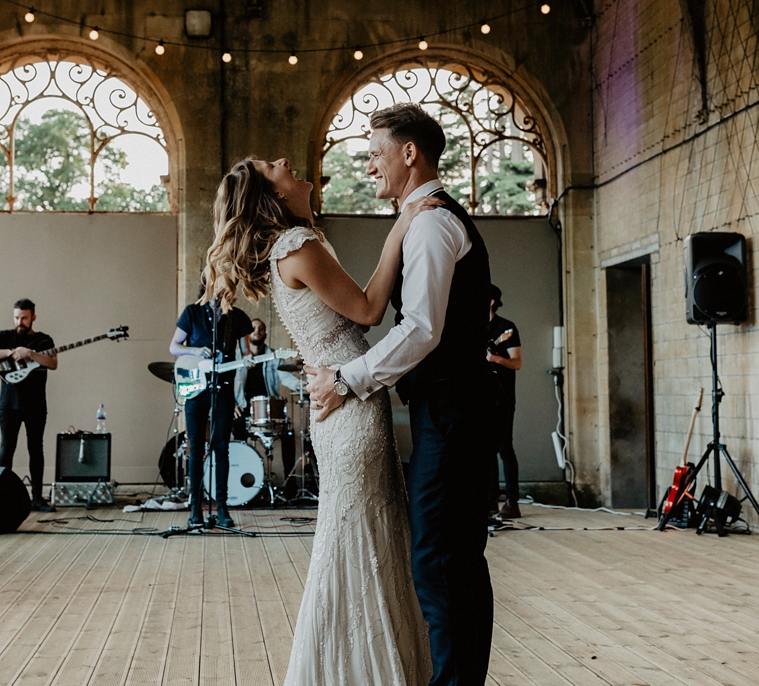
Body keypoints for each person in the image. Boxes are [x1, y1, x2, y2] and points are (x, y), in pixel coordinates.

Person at [203, 154, 442, 685]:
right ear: (275, 195)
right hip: (349, 409)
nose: (284, 160)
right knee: (359, 534)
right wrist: (402, 224)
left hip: (344, 400)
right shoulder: (296, 246)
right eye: (272, 166)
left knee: (367, 532)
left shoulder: (299, 240)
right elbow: (367, 310)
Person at [306, 102, 502, 686]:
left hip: (454, 413)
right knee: (453, 563)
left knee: (442, 564)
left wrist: (346, 380)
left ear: (409, 153)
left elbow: (420, 328)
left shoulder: (435, 223)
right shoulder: (423, 218)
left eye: (375, 154)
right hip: (450, 411)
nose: (370, 168)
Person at [169, 293, 252, 528]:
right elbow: (173, 347)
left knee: (221, 447)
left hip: (223, 389)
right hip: (196, 388)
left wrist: (248, 359)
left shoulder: (238, 318)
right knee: (195, 447)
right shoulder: (191, 312)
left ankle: (222, 507)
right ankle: (195, 507)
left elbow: (246, 352)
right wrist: (195, 351)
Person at [0, 298, 58, 513]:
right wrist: (11, 352)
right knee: (7, 449)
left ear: (33, 317)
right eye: (16, 318)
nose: (20, 322)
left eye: (24, 318)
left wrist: (30, 353)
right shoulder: (4, 336)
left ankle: (37, 499)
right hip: (8, 405)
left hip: (36, 405)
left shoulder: (44, 340)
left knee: (36, 449)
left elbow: (53, 363)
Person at [234, 318, 303, 481]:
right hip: (243, 409)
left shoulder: (274, 357)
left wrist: (304, 386)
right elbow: (226, 383)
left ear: (265, 333)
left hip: (268, 410)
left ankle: (290, 483)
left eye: (261, 328)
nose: (257, 330)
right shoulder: (236, 357)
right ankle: (241, 481)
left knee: (288, 431)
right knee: (236, 429)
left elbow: (286, 378)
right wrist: (232, 405)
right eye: (253, 328)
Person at [486, 286, 522, 521]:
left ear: (491, 301)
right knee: (484, 449)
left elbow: (517, 362)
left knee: (504, 447)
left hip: (502, 397)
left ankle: (512, 502)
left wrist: (495, 358)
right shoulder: (471, 326)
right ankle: (489, 501)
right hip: (479, 395)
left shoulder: (505, 328)